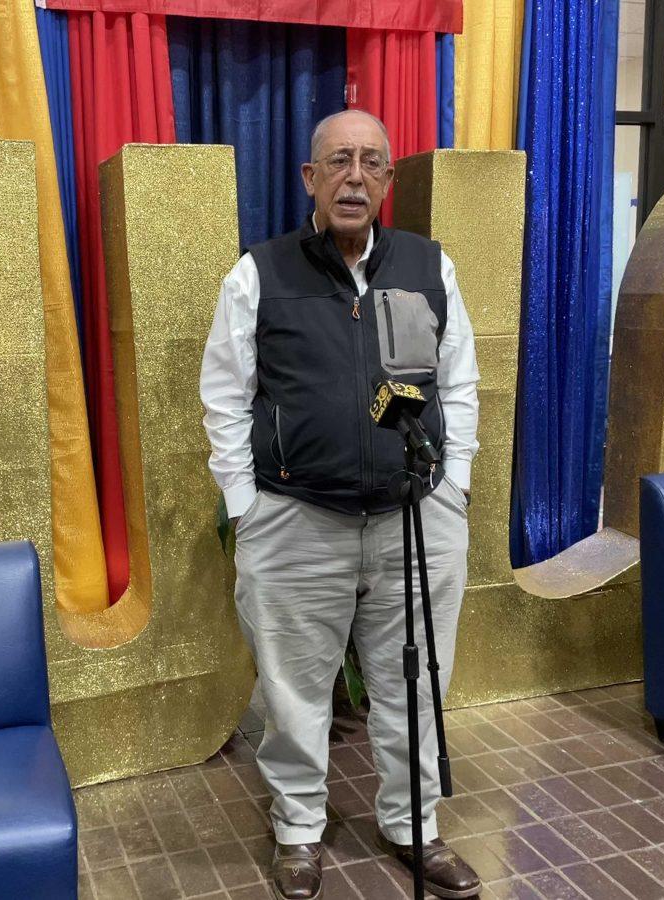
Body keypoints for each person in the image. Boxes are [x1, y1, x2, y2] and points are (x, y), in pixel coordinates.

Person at [200, 109, 482, 900]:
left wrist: (453, 485)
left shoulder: (429, 268)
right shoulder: (260, 273)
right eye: (338, 162)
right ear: (310, 180)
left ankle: (415, 825)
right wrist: (246, 507)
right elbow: (225, 394)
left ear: (389, 180)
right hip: (295, 521)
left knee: (416, 680)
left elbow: (458, 382)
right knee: (292, 688)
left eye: (370, 163)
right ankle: (297, 829)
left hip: (415, 518)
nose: (354, 176)